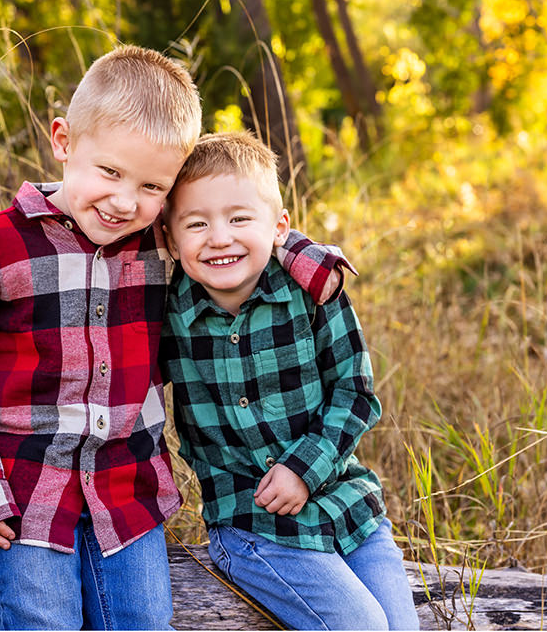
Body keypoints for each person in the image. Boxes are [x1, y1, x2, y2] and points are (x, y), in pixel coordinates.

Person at [0, 47, 349, 630]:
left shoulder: (159, 246)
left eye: (151, 186)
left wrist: (299, 252)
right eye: (109, 172)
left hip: (128, 492)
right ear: (64, 141)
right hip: (20, 490)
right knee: (44, 619)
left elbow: (235, 223)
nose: (123, 201)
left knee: (144, 622)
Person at [160, 131, 420, 631]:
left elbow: (356, 393)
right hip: (252, 526)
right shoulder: (169, 314)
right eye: (197, 224)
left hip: (347, 507)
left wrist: (304, 468)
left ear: (278, 226)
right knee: (360, 625)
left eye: (239, 219)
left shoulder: (313, 294)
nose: (219, 237)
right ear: (171, 239)